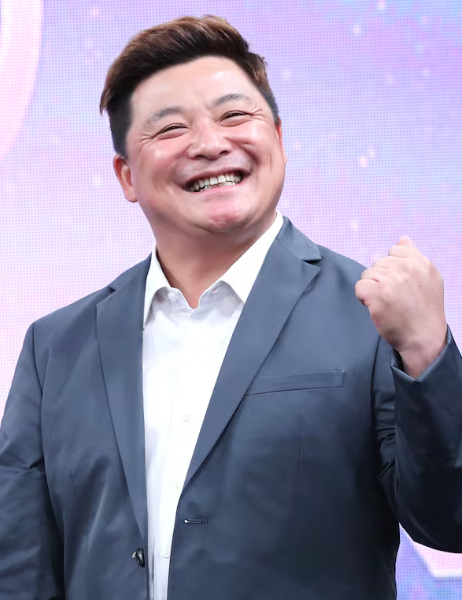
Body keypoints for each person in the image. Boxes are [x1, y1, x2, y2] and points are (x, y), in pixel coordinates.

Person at [0, 15, 461, 600]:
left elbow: (449, 520)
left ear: (279, 140)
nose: (210, 143)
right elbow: (19, 566)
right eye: (170, 128)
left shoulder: (372, 316)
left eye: (235, 116)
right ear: (126, 176)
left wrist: (427, 352)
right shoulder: (56, 347)